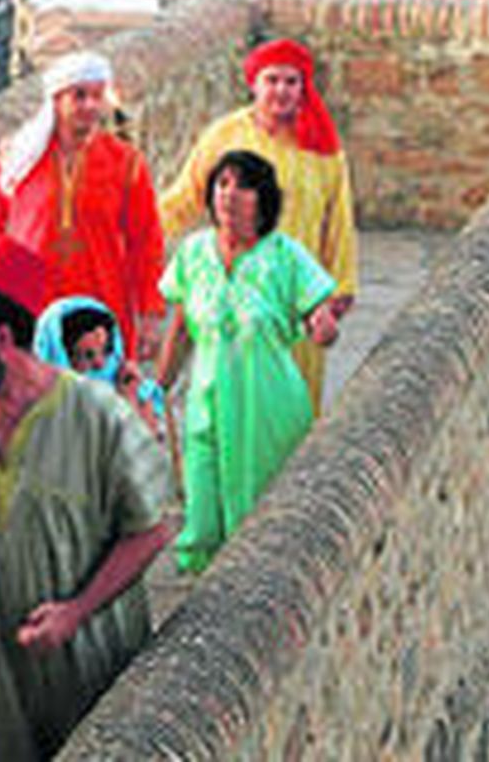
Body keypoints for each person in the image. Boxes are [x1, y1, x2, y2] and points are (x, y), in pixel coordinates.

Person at [0, 237, 173, 761]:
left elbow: (153, 530)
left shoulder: (98, 417)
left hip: (81, 679)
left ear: (2, 339)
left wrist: (76, 610)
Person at [157, 150, 338, 575]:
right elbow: (181, 328)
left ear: (263, 199)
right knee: (202, 509)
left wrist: (322, 322)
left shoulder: (284, 256)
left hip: (268, 406)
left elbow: (318, 309)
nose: (230, 195)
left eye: (243, 186)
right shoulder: (193, 254)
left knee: (260, 519)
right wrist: (157, 387)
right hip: (207, 404)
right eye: (222, 184)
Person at [0, 51, 166, 360]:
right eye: (79, 96)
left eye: (96, 96)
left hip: (99, 300)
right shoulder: (22, 158)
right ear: (56, 101)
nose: (90, 106)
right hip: (30, 303)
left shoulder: (126, 163)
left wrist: (150, 311)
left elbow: (145, 240)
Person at [157, 38, 357, 412]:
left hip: (297, 292)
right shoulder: (225, 136)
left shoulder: (322, 148)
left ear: (303, 88)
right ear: (254, 84)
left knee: (291, 402)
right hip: (235, 283)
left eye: (291, 82)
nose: (281, 91)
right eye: (272, 80)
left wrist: (337, 291)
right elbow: (186, 197)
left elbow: (339, 221)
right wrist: (137, 229)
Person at [33, 295, 167, 438]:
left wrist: (131, 396)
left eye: (107, 350)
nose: (100, 364)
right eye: (87, 355)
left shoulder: (133, 388)